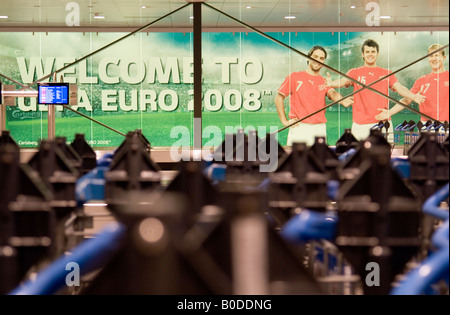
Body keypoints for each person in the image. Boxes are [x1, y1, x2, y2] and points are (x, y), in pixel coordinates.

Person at [326, 39, 426, 141]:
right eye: (367, 52)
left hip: (382, 123)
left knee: (385, 156)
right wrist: (331, 83)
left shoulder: (386, 73)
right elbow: (342, 81)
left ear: (377, 54)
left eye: (373, 51)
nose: (370, 54)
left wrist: (413, 96)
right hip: (360, 125)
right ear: (363, 55)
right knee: (360, 156)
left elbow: (399, 87)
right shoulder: (354, 72)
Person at [275, 45, 354, 146]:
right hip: (299, 127)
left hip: (319, 128)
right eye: (315, 57)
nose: (318, 60)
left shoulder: (323, 81)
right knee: (297, 161)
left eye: (321, 58)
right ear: (308, 58)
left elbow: (332, 93)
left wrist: (343, 100)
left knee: (319, 160)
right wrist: (284, 121)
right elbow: (278, 98)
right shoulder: (294, 77)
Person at [375, 43, 449, 123]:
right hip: (426, 125)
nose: (433, 59)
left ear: (443, 58)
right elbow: (406, 100)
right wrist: (389, 112)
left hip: (446, 124)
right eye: (431, 56)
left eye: (436, 55)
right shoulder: (421, 81)